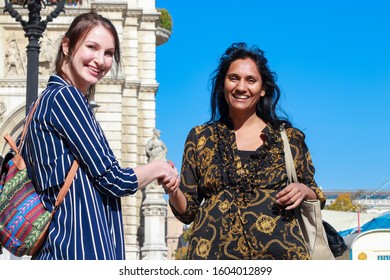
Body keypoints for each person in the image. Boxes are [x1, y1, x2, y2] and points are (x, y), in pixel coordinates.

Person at [20, 12, 179, 260]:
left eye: (108, 53)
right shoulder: (66, 99)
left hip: (58, 248)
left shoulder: (45, 102)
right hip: (78, 250)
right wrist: (159, 168)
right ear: (66, 45)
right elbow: (114, 179)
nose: (100, 60)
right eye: (91, 47)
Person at [166, 42, 327, 260]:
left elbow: (317, 195)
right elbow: (187, 212)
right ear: (222, 85)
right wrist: (174, 189)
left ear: (263, 90)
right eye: (234, 78)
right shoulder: (200, 137)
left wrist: (303, 191)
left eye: (251, 80)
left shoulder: (290, 138)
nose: (241, 87)